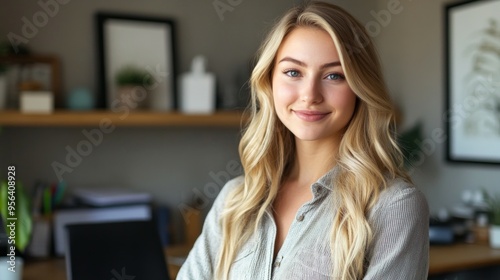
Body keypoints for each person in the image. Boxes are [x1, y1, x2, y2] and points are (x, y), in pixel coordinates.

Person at [177, 1, 429, 279]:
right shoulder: (235, 199)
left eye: (334, 75)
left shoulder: (393, 206)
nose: (310, 94)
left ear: (360, 87)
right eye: (293, 72)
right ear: (269, 81)